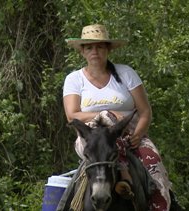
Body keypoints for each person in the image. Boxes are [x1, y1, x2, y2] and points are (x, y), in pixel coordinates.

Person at [63, 24, 172, 211]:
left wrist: (138, 134)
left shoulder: (126, 73)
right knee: (106, 116)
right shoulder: (74, 79)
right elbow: (72, 115)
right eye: (89, 47)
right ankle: (121, 176)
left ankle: (163, 203)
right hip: (91, 139)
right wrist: (108, 114)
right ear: (82, 51)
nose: (94, 51)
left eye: (99, 47)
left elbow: (145, 111)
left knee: (155, 167)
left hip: (129, 135)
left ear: (108, 49)